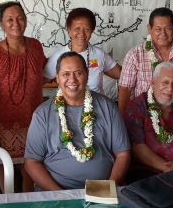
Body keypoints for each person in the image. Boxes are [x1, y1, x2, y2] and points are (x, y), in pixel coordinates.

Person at [24, 52, 131, 190]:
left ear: (87, 75)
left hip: (103, 192)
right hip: (56, 196)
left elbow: (123, 154)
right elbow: (32, 162)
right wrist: (60, 195)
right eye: (66, 74)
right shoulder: (42, 114)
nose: (72, 79)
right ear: (57, 77)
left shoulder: (108, 107)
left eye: (78, 73)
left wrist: (108, 190)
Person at [0, 1, 47, 193]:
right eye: (10, 19)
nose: (16, 23)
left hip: (33, 120)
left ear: (26, 20)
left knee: (30, 167)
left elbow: (45, 73)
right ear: (1, 24)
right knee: (5, 167)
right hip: (3, 122)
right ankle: (9, 207)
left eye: (20, 18)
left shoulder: (36, 47)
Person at [118, 7, 173, 122]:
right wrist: (122, 120)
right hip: (144, 120)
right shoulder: (135, 55)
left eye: (167, 28)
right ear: (149, 29)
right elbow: (125, 89)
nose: (163, 34)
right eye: (158, 29)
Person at [123, 62, 173, 183]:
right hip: (147, 173)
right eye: (165, 82)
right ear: (153, 82)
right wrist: (169, 169)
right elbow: (136, 146)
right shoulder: (138, 106)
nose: (170, 88)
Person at [43, 8, 121, 96]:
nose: (82, 33)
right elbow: (39, 82)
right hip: (65, 107)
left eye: (86, 29)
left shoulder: (99, 55)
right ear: (69, 30)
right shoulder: (58, 56)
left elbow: (124, 76)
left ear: (92, 31)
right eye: (77, 29)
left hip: (96, 107)